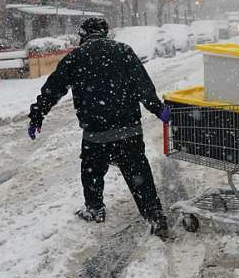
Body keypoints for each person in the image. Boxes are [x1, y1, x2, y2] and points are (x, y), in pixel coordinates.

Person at [27, 17, 172, 239]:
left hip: (96, 133)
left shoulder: (75, 57)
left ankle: (95, 209)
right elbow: (143, 86)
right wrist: (158, 109)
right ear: (105, 33)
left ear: (83, 35)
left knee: (92, 172)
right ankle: (155, 216)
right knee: (138, 173)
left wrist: (37, 115)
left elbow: (53, 89)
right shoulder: (123, 51)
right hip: (128, 130)